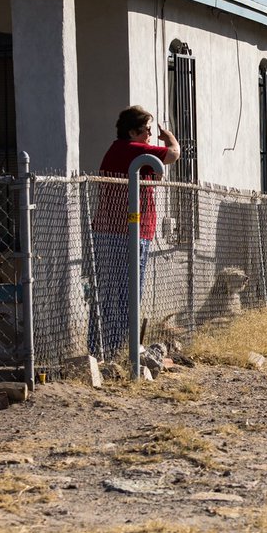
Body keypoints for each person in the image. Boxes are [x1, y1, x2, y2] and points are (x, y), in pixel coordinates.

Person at [89, 105, 180, 360]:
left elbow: (153, 174)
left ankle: (111, 348)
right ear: (131, 132)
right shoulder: (132, 150)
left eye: (151, 129)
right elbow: (173, 155)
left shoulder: (120, 150)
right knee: (125, 294)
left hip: (121, 231)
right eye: (146, 130)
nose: (150, 134)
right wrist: (169, 136)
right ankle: (117, 350)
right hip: (126, 233)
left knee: (114, 293)